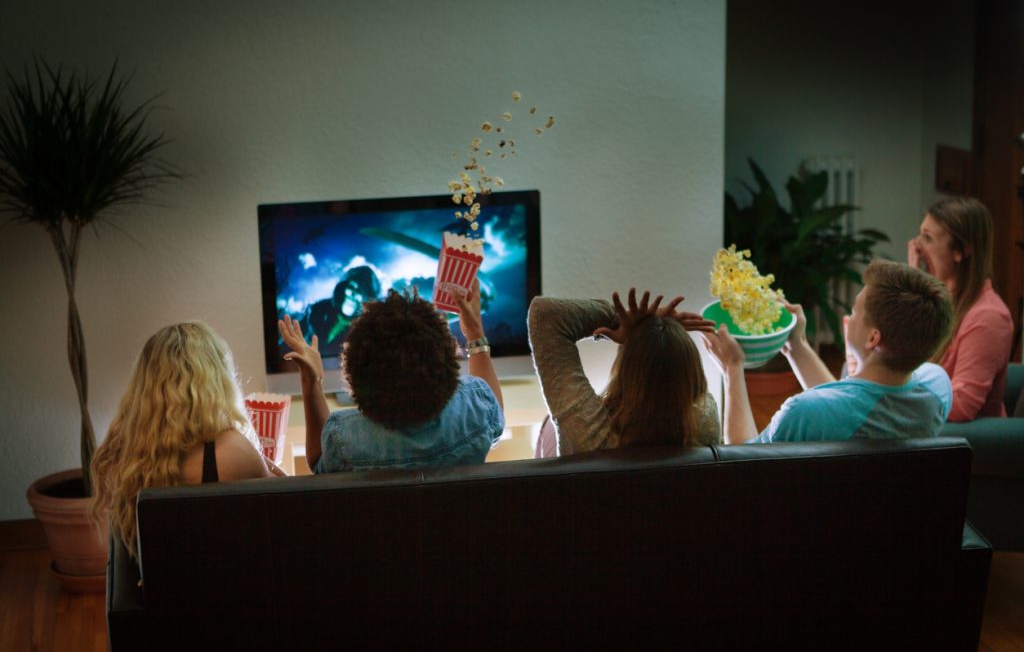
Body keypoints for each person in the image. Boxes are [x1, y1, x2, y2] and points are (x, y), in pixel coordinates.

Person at [702, 260, 954, 444]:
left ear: (873, 338)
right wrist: (796, 346)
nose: (849, 317)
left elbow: (743, 464)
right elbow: (846, 405)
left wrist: (732, 369)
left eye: (855, 312)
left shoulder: (803, 412)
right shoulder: (937, 388)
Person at [91, 322, 284, 561]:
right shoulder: (232, 451)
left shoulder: (120, 453)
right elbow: (285, 513)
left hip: (156, 592)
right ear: (216, 381)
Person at [279, 278, 504, 473]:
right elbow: (495, 410)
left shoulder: (342, 438)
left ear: (355, 378)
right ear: (448, 369)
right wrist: (475, 334)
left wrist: (312, 383)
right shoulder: (475, 409)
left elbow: (318, 461)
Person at [528, 289, 720, 455]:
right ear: (692, 376)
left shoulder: (587, 435)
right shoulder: (706, 425)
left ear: (627, 371)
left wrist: (621, 321)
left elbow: (545, 314)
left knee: (548, 428)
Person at [908, 196, 1014, 421]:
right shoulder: (941, 300)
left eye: (927, 238)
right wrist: (912, 285)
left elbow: (961, 406)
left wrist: (895, 399)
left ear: (961, 251)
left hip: (967, 444)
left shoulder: (989, 317)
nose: (916, 246)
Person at [298, 265, 382, 354]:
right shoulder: (316, 311)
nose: (353, 293)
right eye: (351, 286)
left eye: (360, 291)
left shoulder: (368, 331)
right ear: (343, 287)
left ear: (367, 298)